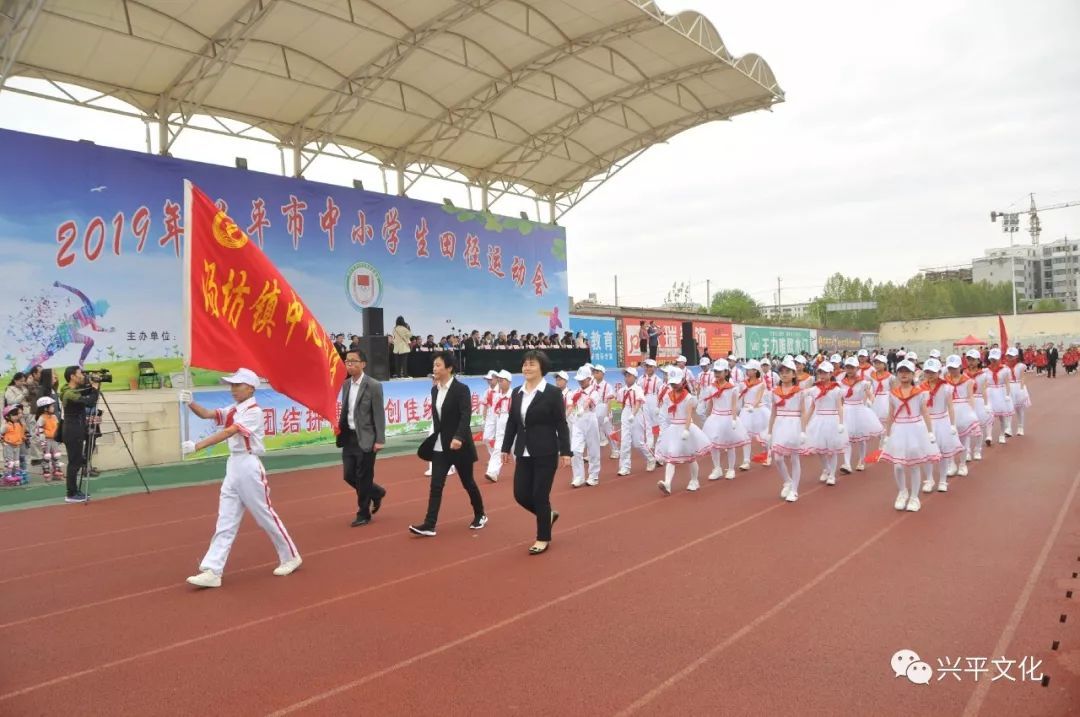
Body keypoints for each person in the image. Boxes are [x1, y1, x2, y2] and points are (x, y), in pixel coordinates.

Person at [179, 369, 301, 588]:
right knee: (225, 520)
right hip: (233, 466)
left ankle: (290, 556)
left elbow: (229, 432)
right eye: (231, 385)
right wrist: (190, 402)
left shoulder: (253, 411)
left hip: (249, 466)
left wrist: (197, 446)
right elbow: (208, 414)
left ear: (251, 388)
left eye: (238, 385)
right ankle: (213, 570)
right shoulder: (233, 409)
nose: (233, 389)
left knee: (264, 515)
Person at [500, 350, 572, 555]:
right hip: (523, 450)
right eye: (524, 364)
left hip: (546, 450)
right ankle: (547, 515)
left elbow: (561, 423)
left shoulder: (552, 393)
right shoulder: (517, 392)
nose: (526, 368)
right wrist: (505, 447)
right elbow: (512, 422)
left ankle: (543, 537)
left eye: (531, 364)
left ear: (542, 367)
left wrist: (565, 451)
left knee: (540, 494)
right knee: (521, 494)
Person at [411, 352, 487, 537]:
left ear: (449, 368)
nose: (434, 369)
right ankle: (429, 524)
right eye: (434, 365)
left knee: (468, 482)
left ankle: (480, 514)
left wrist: (459, 437)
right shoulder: (435, 390)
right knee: (436, 484)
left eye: (438, 365)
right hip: (440, 445)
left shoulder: (461, 389)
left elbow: (465, 415)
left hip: (459, 445)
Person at [336, 349, 387, 527]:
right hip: (348, 436)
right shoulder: (346, 385)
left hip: (367, 437)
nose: (349, 364)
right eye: (347, 361)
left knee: (363, 476)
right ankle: (377, 492)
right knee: (349, 475)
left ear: (363, 364)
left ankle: (363, 512)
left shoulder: (373, 385)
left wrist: (380, 439)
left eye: (353, 361)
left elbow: (379, 414)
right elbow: (346, 411)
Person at [880, 360, 939, 512]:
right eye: (901, 371)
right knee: (898, 465)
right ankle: (902, 491)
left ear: (913, 375)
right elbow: (890, 415)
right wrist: (887, 435)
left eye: (907, 372)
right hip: (899, 429)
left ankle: (914, 497)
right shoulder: (893, 394)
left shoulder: (919, 393)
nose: (904, 374)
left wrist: (930, 432)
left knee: (913, 464)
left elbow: (925, 412)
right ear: (897, 374)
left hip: (915, 429)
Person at [654, 368, 711, 494]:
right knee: (671, 456)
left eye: (676, 383)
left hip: (686, 428)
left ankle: (695, 480)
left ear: (683, 381)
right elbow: (667, 412)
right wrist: (661, 412)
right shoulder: (669, 396)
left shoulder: (689, 397)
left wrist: (686, 429)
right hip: (674, 429)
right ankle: (667, 483)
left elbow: (689, 414)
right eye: (672, 383)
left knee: (690, 457)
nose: (674, 385)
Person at [763, 356, 805, 502]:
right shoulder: (774, 392)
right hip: (779, 425)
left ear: (794, 374)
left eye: (788, 371)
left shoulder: (800, 391)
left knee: (794, 457)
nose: (785, 374)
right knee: (778, 457)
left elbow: (803, 412)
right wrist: (769, 431)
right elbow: (773, 413)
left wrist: (803, 431)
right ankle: (787, 481)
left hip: (794, 424)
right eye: (782, 371)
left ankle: (794, 490)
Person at [699, 359, 749, 480]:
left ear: (726, 372)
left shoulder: (733, 388)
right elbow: (710, 404)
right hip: (715, 417)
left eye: (720, 371)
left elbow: (733, 406)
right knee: (713, 445)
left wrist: (733, 419)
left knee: (729, 444)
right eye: (715, 371)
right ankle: (717, 468)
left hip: (727, 418)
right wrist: (706, 416)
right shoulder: (712, 387)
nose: (717, 374)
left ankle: (731, 468)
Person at [920, 359, 963, 494]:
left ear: (939, 372)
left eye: (933, 372)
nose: (930, 374)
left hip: (942, 421)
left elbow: (950, 407)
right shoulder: (921, 388)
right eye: (927, 372)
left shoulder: (946, 387)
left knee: (944, 453)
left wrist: (952, 424)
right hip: (927, 422)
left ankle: (943, 480)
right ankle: (929, 479)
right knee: (927, 453)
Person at [801, 361, 847, 486]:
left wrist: (841, 422)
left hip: (832, 420)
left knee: (832, 449)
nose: (822, 375)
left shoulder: (836, 389)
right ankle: (826, 469)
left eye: (825, 372)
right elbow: (811, 407)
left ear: (831, 373)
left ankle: (832, 474)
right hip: (819, 420)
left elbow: (839, 407)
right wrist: (804, 423)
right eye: (820, 372)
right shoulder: (815, 389)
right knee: (820, 449)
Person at [58, 366, 99, 503]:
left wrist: (92, 385)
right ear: (72, 376)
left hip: (76, 428)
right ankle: (71, 493)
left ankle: (75, 491)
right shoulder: (69, 393)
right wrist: (94, 388)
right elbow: (89, 402)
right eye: (80, 373)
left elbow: (85, 392)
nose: (82, 376)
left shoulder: (71, 390)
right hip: (72, 430)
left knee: (76, 461)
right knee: (74, 462)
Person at [944, 354, 980, 476]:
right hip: (948, 410)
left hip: (963, 410)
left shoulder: (968, 381)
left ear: (960, 366)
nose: (952, 370)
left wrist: (971, 412)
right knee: (949, 439)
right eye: (950, 368)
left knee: (963, 439)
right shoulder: (944, 381)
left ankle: (963, 464)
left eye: (954, 368)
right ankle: (951, 464)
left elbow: (970, 396)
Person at [617, 367, 655, 475]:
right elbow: (621, 403)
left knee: (638, 442)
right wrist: (616, 416)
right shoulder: (622, 390)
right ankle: (625, 467)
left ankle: (651, 459)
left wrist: (633, 414)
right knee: (624, 441)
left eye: (629, 376)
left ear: (634, 377)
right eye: (625, 376)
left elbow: (638, 402)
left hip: (636, 413)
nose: (626, 378)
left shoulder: (638, 389)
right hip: (626, 412)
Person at [567, 367, 601, 487]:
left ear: (588, 378)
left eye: (583, 379)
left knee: (593, 450)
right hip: (578, 421)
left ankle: (593, 476)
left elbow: (588, 402)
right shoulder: (575, 392)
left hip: (590, 419)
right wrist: (565, 416)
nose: (580, 382)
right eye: (579, 379)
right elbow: (570, 406)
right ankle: (578, 477)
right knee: (575, 449)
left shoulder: (594, 391)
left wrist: (582, 408)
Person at [484, 370, 513, 482]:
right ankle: (492, 472)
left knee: (517, 450)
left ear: (509, 381)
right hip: (501, 421)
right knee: (498, 447)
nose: (500, 382)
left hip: (512, 422)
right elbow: (496, 412)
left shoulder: (514, 394)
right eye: (499, 380)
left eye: (502, 380)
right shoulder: (497, 396)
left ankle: (526, 471)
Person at [34, 397, 64, 481]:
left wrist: (60, 437)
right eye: (51, 406)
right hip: (46, 440)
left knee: (56, 455)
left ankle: (57, 471)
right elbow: (39, 430)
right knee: (47, 457)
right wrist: (42, 441)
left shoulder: (54, 417)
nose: (53, 408)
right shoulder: (42, 418)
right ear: (45, 408)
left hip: (54, 439)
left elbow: (58, 427)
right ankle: (46, 472)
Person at [1005, 347, 1031, 436]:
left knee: (1019, 410)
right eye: (1008, 355)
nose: (1009, 357)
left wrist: (1021, 388)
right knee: (1008, 409)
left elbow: (1023, 377)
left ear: (1016, 356)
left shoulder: (1021, 366)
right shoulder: (1004, 367)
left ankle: (1020, 427)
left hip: (1018, 386)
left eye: (1011, 356)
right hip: (1008, 387)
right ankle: (1008, 428)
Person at [2, 404, 28, 486]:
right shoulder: (6, 426)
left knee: (16, 462)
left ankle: (15, 474)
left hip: (17, 445)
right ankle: (8, 475)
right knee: (10, 462)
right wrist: (3, 442)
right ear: (7, 416)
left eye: (17, 414)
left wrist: (23, 438)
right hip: (9, 446)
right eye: (14, 415)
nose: (17, 416)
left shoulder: (18, 424)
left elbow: (20, 434)